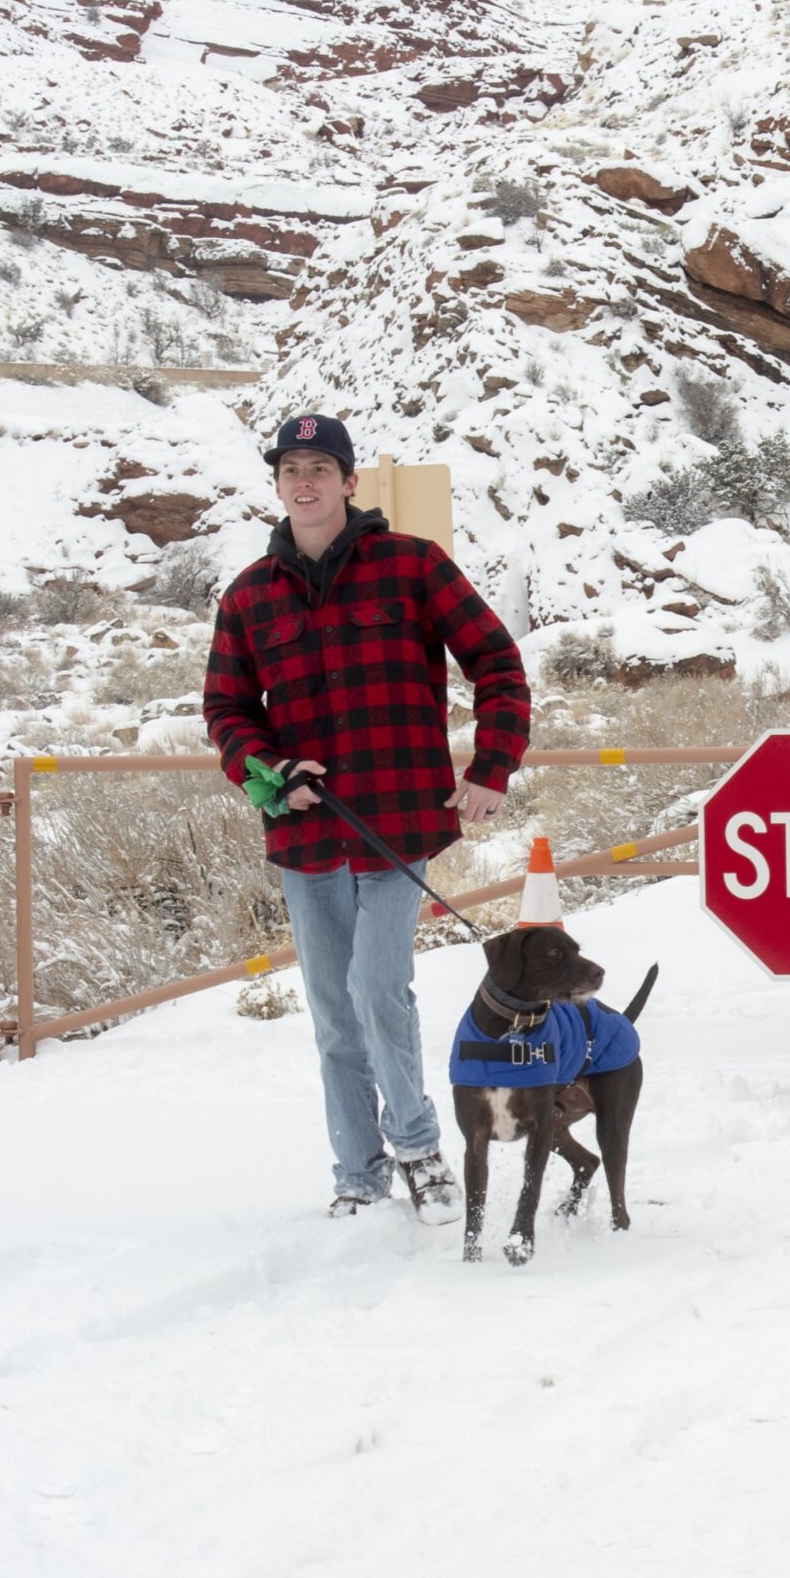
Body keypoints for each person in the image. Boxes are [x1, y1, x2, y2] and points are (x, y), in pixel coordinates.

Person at [204, 415, 531, 1219]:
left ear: (351, 482)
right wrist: (273, 774)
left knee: (378, 988)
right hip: (306, 833)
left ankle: (418, 1148)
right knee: (332, 1009)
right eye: (291, 469)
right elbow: (226, 710)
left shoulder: (413, 566)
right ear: (278, 486)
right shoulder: (247, 596)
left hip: (397, 822)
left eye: (321, 466)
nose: (305, 481)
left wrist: (491, 766)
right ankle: (357, 1168)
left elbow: (496, 661)